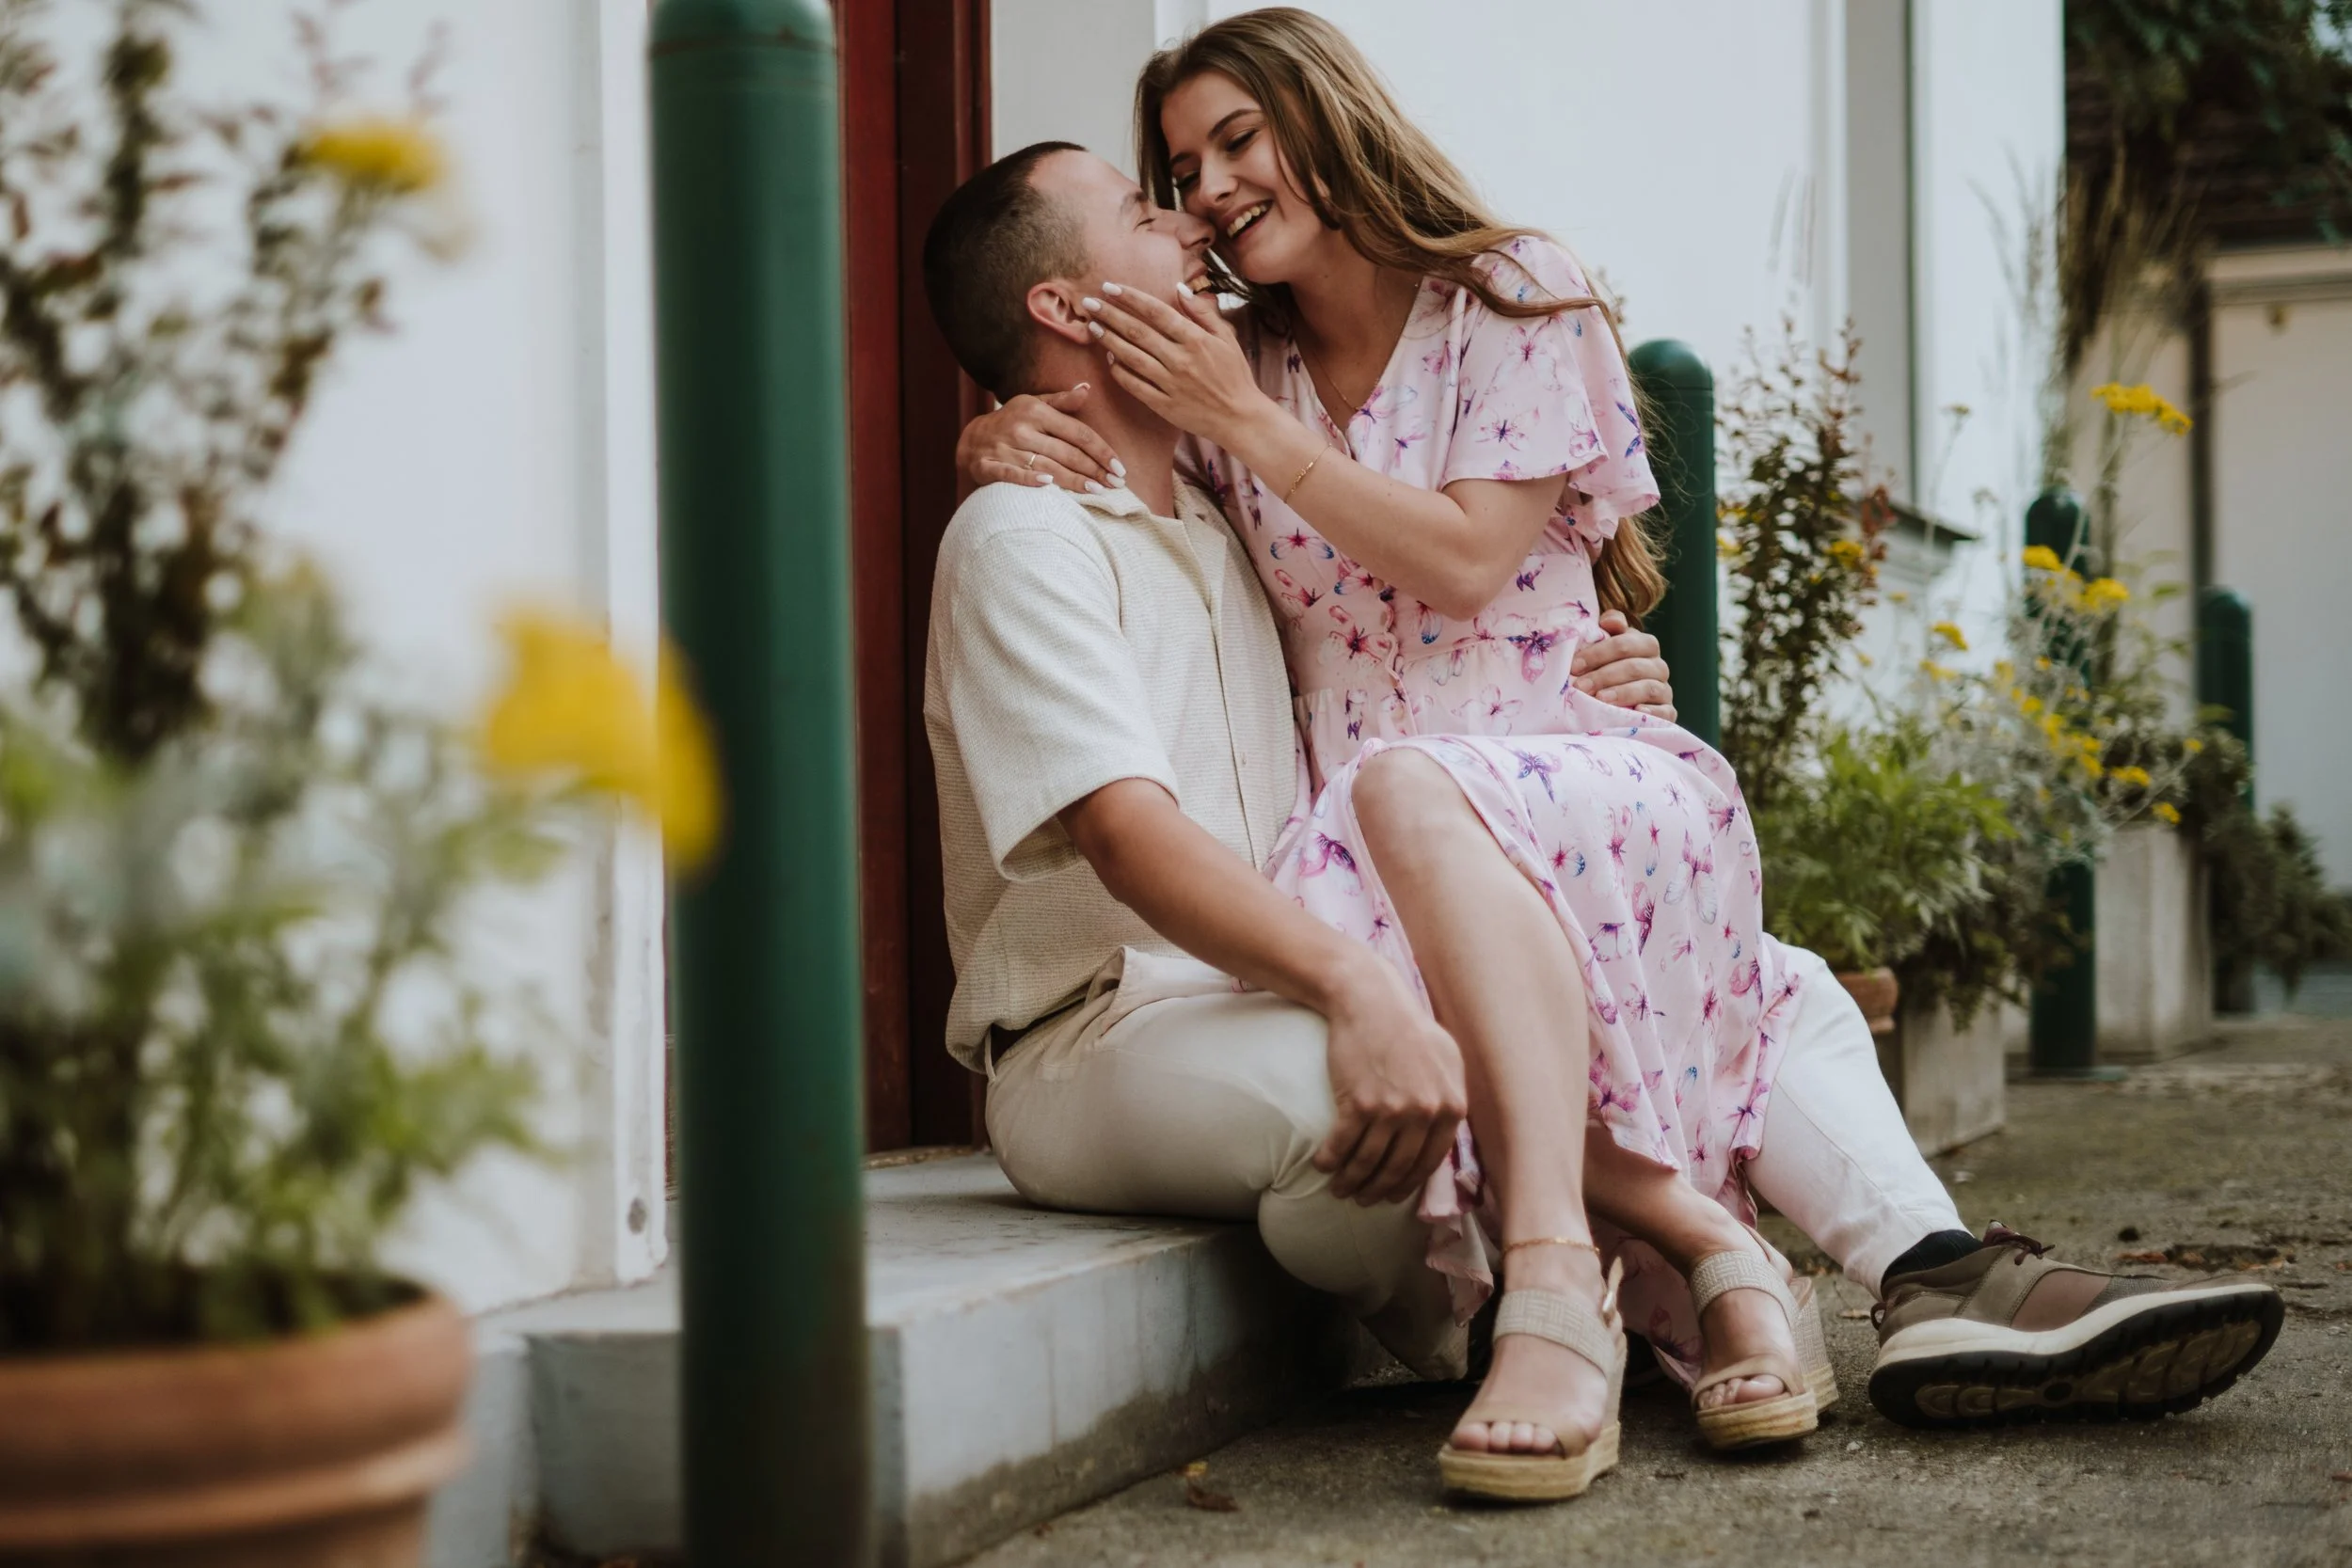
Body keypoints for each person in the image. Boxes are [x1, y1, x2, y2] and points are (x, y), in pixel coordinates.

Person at [948, 5, 2284, 1453]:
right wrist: (997, 431)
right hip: (1356, 848)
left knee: (1471, 838)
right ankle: (1899, 1272)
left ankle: (1634, 1276)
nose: (1205, 193)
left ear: (1326, 116)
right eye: (1175, 174)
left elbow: (1464, 561)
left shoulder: (1507, 298)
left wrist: (1229, 426)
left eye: (1235, 142)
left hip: (1539, 767)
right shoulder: (1228, 371)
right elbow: (1085, 440)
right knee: (1758, 990)